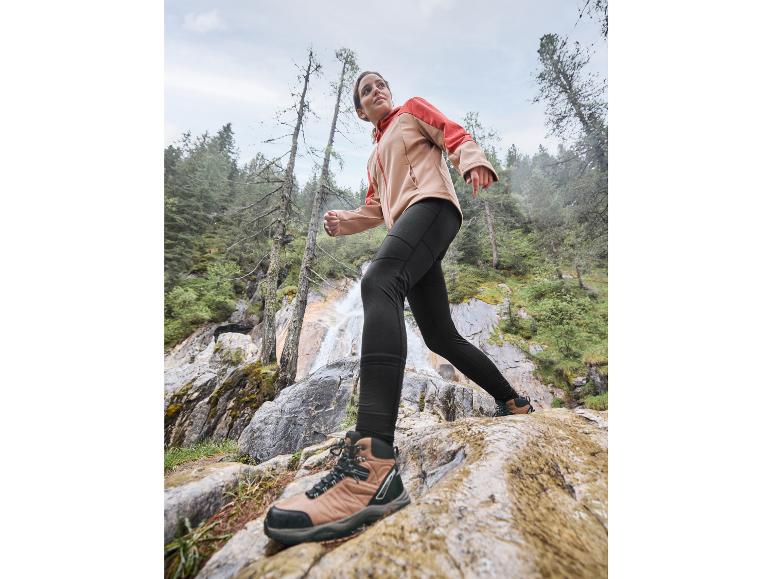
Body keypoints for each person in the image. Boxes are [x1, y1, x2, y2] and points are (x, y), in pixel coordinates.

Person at [263, 71, 533, 546]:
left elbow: (449, 130)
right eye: (366, 91)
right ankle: (513, 401)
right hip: (409, 222)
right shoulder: (375, 157)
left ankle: (372, 468)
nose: (377, 91)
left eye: (380, 84)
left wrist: (471, 159)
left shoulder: (411, 111)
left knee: (380, 279)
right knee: (439, 335)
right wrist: (345, 222)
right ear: (360, 111)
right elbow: (376, 207)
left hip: (432, 207)